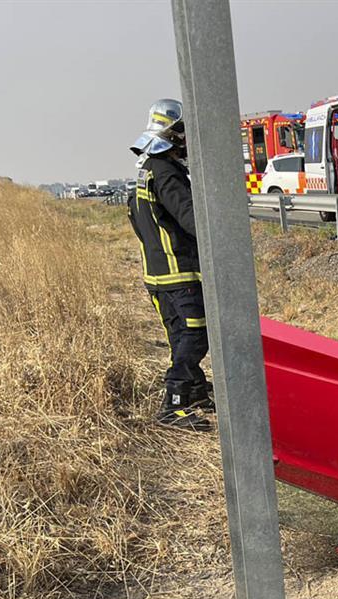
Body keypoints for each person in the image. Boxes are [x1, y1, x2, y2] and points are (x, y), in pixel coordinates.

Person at [127, 99, 212, 431]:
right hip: (179, 272)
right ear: (172, 134)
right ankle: (174, 404)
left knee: (180, 335)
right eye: (183, 132)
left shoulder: (147, 170)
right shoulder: (166, 173)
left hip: (157, 273)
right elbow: (191, 219)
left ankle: (195, 392)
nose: (187, 140)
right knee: (195, 334)